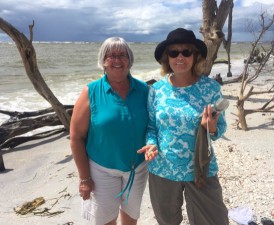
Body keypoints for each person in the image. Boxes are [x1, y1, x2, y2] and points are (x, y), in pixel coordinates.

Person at [138, 28, 229, 225]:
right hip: (162, 168)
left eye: (186, 52)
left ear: (195, 56)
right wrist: (152, 144)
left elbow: (220, 127)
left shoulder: (210, 88)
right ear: (167, 58)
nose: (180, 57)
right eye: (174, 52)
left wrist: (211, 128)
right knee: (167, 221)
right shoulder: (157, 90)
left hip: (201, 168)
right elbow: (152, 127)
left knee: (215, 220)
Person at [70, 37, 149, 225]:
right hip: (101, 170)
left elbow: (154, 127)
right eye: (111, 55)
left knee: (131, 217)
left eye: (122, 55)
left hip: (137, 168)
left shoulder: (144, 90)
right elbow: (76, 137)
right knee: (105, 220)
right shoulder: (91, 92)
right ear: (103, 61)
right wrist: (84, 178)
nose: (117, 60)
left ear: (129, 60)